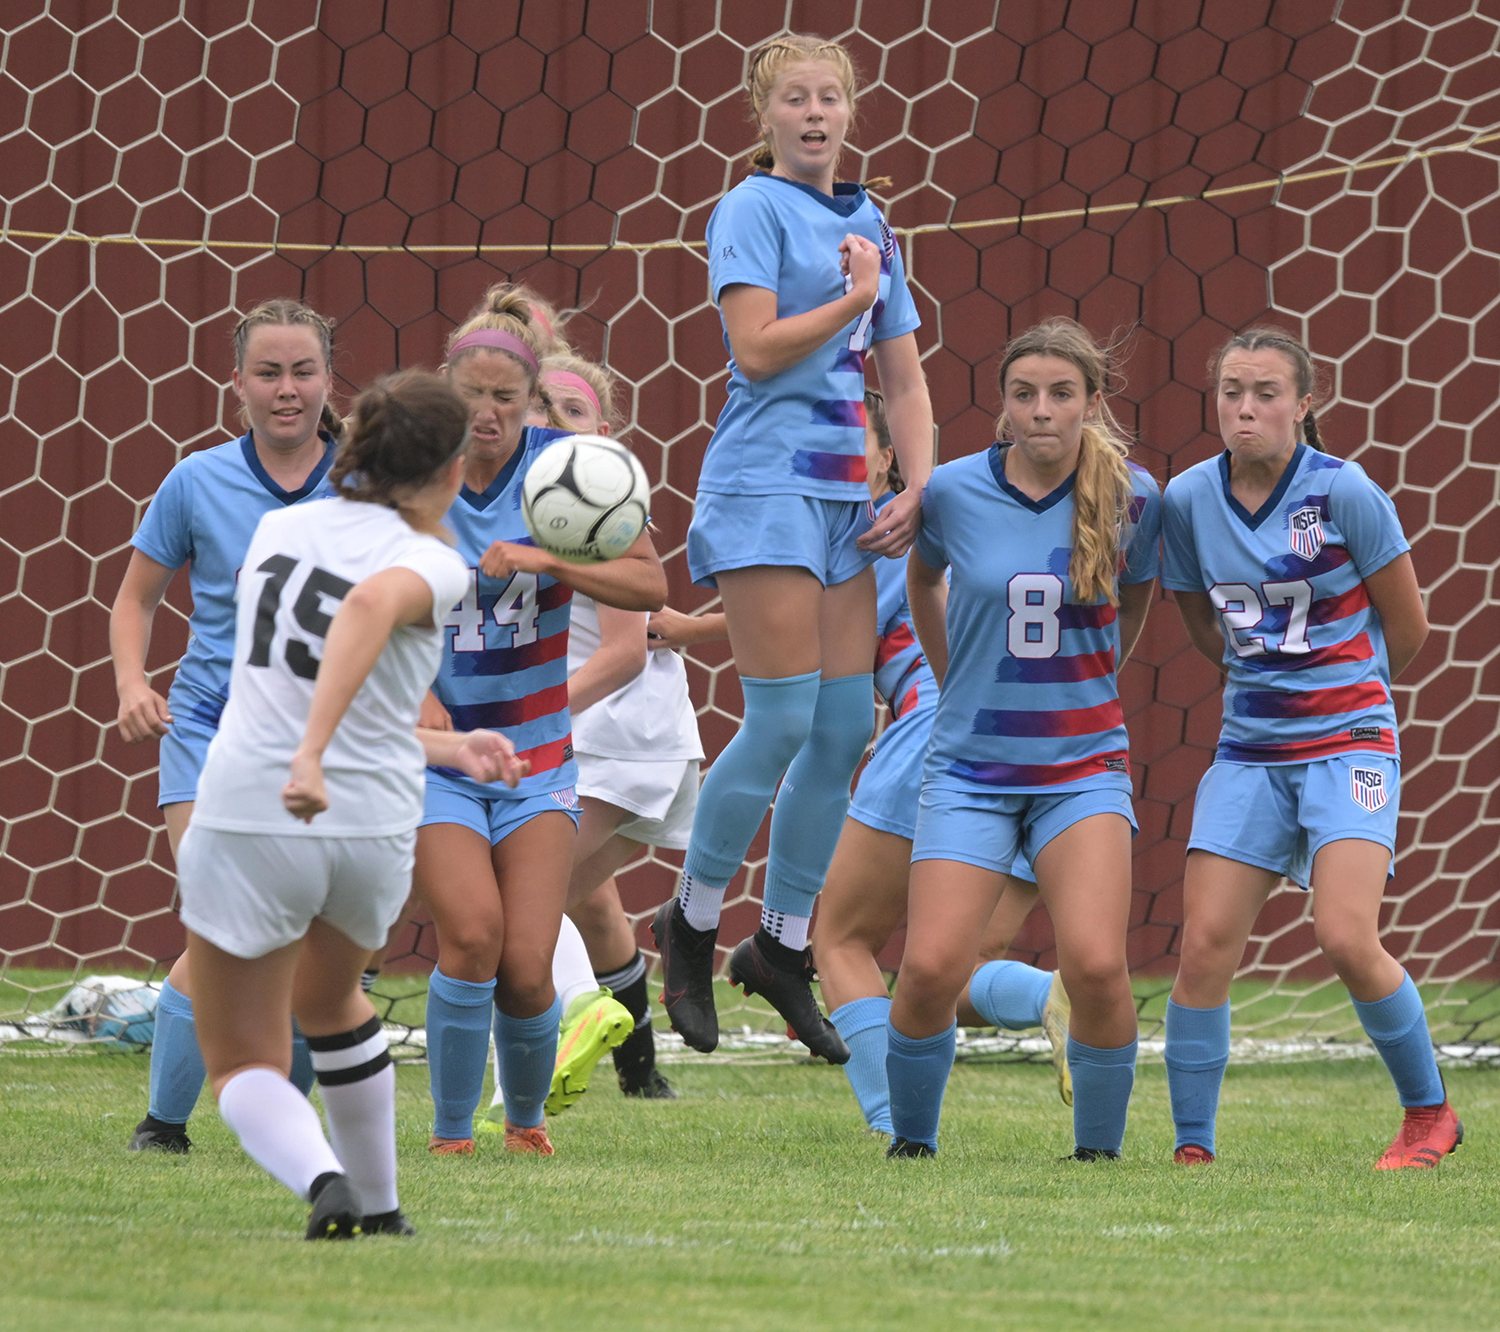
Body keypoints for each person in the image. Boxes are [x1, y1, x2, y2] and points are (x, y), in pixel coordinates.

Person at [177, 370, 523, 1238]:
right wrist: (392, 749)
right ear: (449, 472)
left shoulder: (276, 528)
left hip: (259, 804)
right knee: (334, 1006)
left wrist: (326, 749)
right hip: (367, 826)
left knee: (244, 1059)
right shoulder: (437, 563)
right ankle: (384, 1210)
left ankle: (323, 1177)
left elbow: (339, 638)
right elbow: (368, 615)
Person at [652, 33, 935, 1064]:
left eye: (831, 98)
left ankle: (780, 947)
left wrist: (918, 484)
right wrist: (855, 297)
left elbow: (903, 382)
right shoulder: (751, 209)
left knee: (840, 726)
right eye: (796, 100)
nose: (816, 114)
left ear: (853, 113)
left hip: (842, 506)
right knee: (774, 721)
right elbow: (758, 347)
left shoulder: (873, 224)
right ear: (764, 118)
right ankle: (688, 922)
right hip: (765, 486)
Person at [1161, 327, 1459, 1170]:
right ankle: (1193, 1149)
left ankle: (1429, 1115)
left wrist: (1347, 698)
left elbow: (1409, 627)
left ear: (1304, 403)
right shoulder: (1188, 498)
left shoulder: (1345, 492)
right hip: (1250, 750)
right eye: (1230, 391)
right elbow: (1201, 621)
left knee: (1342, 934)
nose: (1245, 407)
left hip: (1350, 743)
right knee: (1204, 946)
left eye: (1264, 392)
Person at [886, 318, 1161, 1160]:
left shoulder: (1134, 497)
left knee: (1097, 966)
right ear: (1002, 406)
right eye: (1024, 394)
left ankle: (1099, 1154)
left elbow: (1136, 606)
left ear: (1091, 403)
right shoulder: (953, 492)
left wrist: (1091, 685)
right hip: (969, 767)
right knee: (931, 968)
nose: (1042, 410)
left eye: (1061, 394)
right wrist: (950, 674)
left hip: (1081, 768)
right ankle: (912, 1144)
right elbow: (922, 577)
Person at [418, 287, 667, 1156]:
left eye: (506, 398)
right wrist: (429, 720)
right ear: (446, 388)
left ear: (531, 399)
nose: (486, 413)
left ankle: (524, 1125)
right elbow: (365, 603)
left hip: (540, 758)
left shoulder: (571, 470)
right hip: (438, 758)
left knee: (528, 968)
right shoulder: (411, 472)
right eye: (471, 395)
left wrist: (545, 555)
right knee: (472, 936)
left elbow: (650, 588)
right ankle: (452, 1136)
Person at [110, 299, 343, 1152]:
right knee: (223, 921)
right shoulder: (196, 481)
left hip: (326, 744)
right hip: (209, 731)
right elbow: (136, 598)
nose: (287, 390)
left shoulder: (368, 480)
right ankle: (162, 1125)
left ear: (327, 380)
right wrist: (133, 681)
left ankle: (287, 1117)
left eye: (303, 371)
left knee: (312, 942)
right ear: (236, 383)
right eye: (269, 373)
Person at [811, 390, 1073, 1135]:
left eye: (844, 447)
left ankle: (894, 1121)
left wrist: (696, 625)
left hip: (941, 728)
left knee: (841, 937)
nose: (830, 469)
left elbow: (805, 645)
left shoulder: (867, 534)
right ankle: (1047, 993)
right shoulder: (958, 516)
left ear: (888, 458)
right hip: (1045, 738)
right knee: (953, 968)